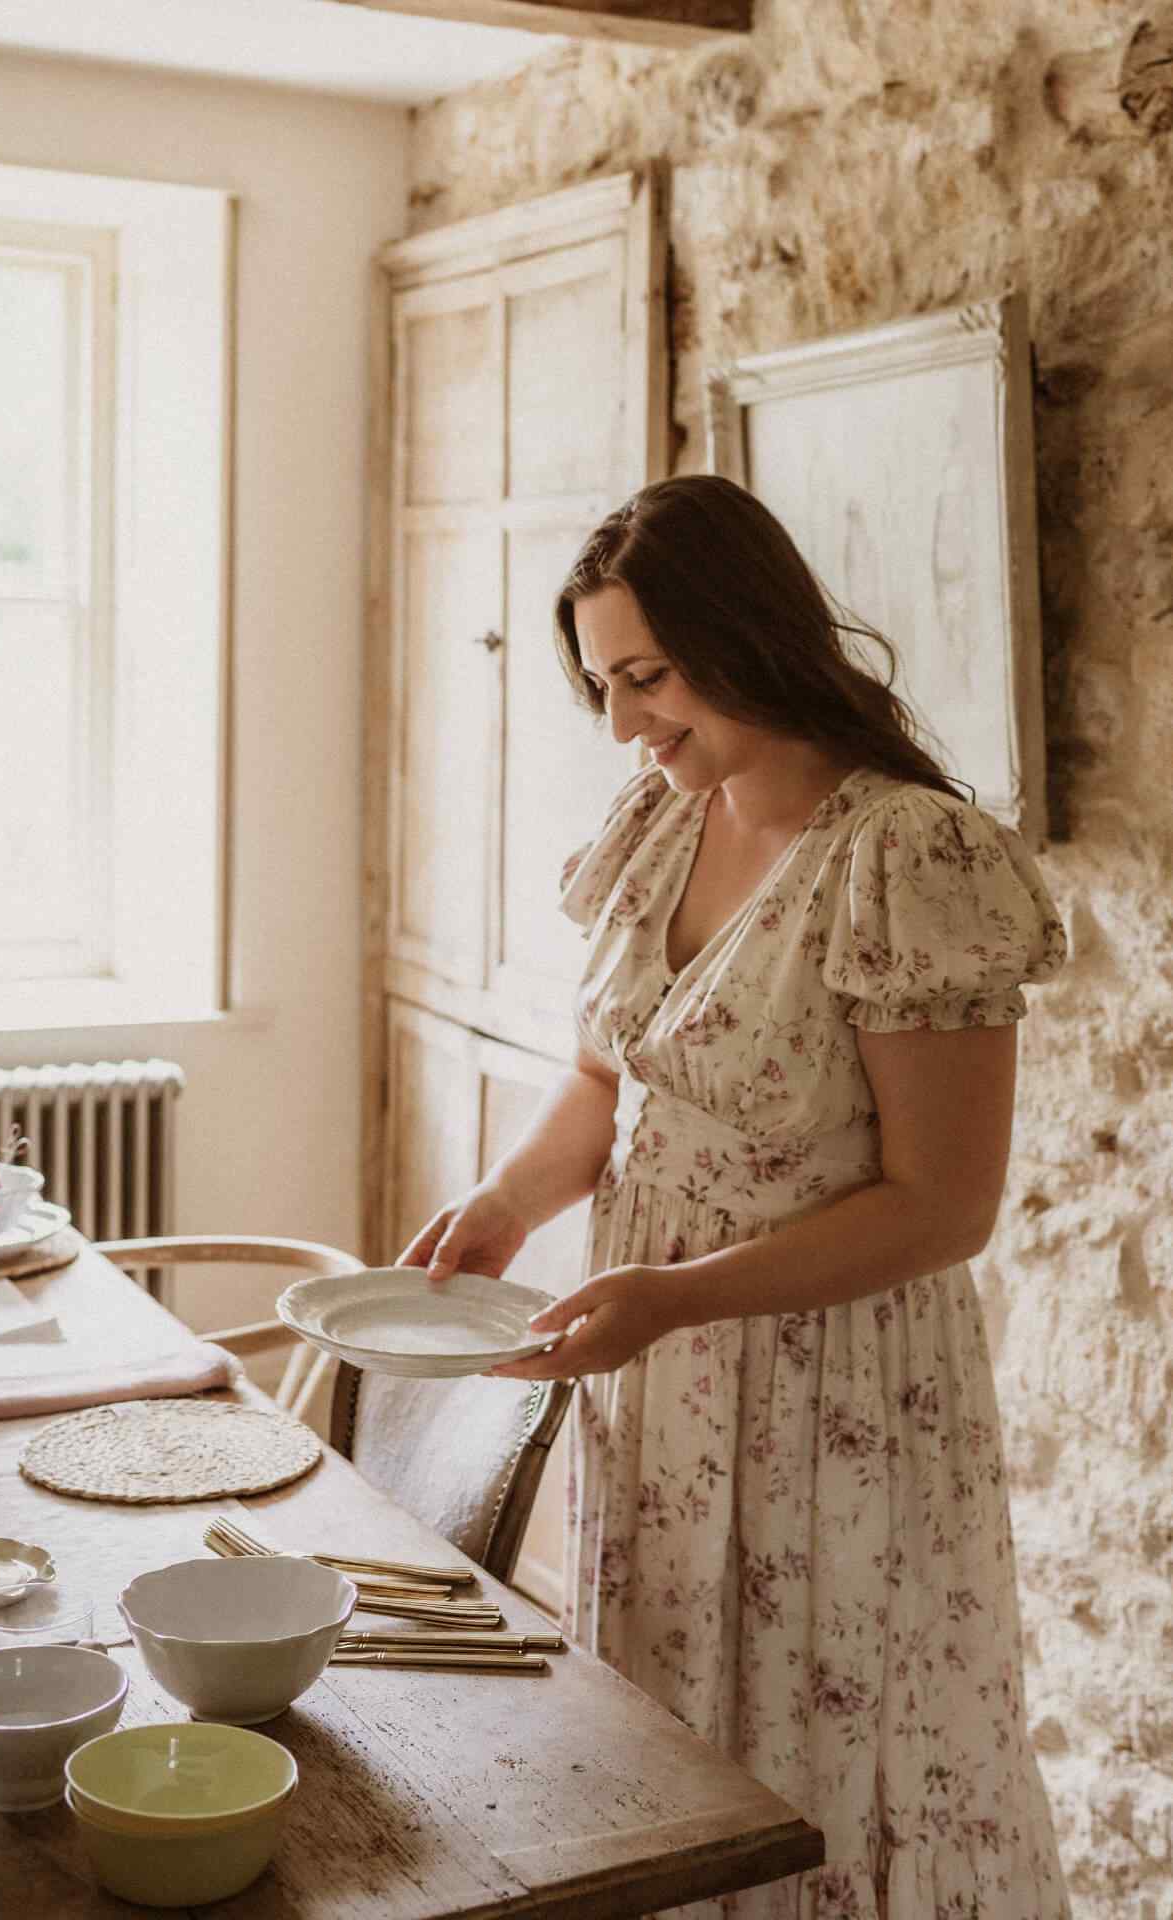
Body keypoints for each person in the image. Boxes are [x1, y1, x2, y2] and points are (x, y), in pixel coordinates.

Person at [400, 475, 1071, 1919]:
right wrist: (509, 1205)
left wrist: (676, 1297)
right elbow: (603, 1075)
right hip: (664, 1382)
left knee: (831, 1753)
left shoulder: (906, 856)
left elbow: (941, 1205)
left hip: (832, 1387)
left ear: (748, 633)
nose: (627, 723)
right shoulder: (664, 816)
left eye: (648, 676)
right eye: (603, 686)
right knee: (671, 1735)